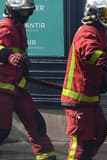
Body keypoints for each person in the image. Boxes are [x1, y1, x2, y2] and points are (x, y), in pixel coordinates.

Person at [60, 0, 107, 159]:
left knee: (100, 131)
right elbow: (91, 53)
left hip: (89, 99)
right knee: (81, 142)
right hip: (78, 100)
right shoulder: (87, 31)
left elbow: (94, 66)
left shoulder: (99, 32)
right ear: (93, 13)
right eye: (106, 13)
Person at [0, 0, 56, 160]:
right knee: (2, 129)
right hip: (3, 87)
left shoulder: (19, 27)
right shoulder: (5, 26)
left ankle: (47, 156)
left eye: (27, 11)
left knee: (36, 123)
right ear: (12, 10)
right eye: (22, 11)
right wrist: (9, 56)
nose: (26, 14)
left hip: (17, 87)